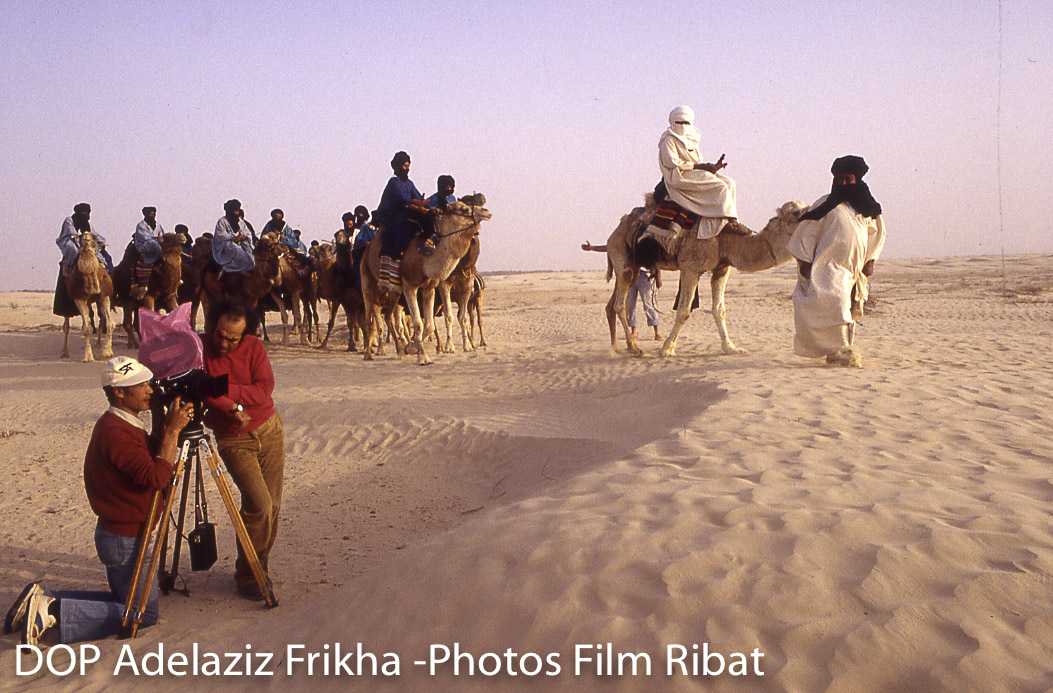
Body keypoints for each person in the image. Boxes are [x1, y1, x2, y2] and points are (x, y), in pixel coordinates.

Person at [4, 357, 193, 645]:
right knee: (142, 613)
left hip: (119, 533)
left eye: (148, 383)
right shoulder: (116, 432)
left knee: (124, 601)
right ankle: (52, 611)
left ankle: (44, 599)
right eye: (141, 385)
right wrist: (173, 431)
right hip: (125, 538)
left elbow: (152, 455)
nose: (150, 390)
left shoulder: (122, 423)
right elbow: (156, 477)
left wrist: (161, 419)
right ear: (119, 392)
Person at [201, 299, 285, 600]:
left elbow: (264, 389)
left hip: (269, 430)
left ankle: (258, 567)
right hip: (233, 439)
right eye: (220, 335)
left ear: (245, 335)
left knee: (273, 507)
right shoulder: (199, 349)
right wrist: (231, 405)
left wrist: (223, 389)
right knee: (258, 505)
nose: (223, 343)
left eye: (232, 339)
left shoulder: (255, 347)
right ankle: (248, 575)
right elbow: (203, 390)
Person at [786, 155, 886, 365]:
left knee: (849, 309)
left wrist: (871, 259)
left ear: (857, 179)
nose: (844, 184)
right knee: (837, 304)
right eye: (840, 179)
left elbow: (877, 233)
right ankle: (842, 352)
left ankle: (841, 351)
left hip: (855, 268)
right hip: (828, 266)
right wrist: (805, 262)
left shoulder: (867, 207)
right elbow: (806, 231)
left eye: (848, 179)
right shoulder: (825, 204)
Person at [655, 105, 748, 238]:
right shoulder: (668, 140)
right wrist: (702, 167)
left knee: (730, 183)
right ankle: (731, 222)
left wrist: (712, 168)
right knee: (720, 187)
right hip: (678, 175)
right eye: (681, 123)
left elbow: (697, 162)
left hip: (693, 172)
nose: (684, 126)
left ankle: (729, 219)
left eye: (687, 123)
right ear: (674, 123)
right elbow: (672, 163)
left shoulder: (691, 140)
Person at [53, 203, 112, 322]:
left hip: (87, 243)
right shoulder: (69, 220)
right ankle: (70, 270)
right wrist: (82, 240)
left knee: (105, 258)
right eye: (83, 212)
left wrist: (100, 242)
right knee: (74, 252)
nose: (85, 215)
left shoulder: (88, 224)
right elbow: (71, 233)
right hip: (72, 242)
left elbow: (95, 234)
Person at [376, 151, 434, 267]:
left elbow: (416, 197)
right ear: (398, 166)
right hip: (392, 215)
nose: (407, 169)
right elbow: (403, 200)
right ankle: (416, 245)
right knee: (416, 218)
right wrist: (419, 208)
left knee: (430, 216)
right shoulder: (394, 182)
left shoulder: (409, 183)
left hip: (406, 211)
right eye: (405, 166)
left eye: (408, 166)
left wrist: (431, 208)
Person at [212, 199, 256, 274]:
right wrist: (234, 238)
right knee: (236, 250)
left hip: (240, 242)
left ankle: (252, 267)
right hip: (225, 245)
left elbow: (247, 232)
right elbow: (220, 235)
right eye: (234, 211)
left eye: (237, 211)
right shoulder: (222, 221)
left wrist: (246, 237)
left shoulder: (240, 222)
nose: (236, 213)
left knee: (250, 249)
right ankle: (234, 268)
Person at [131, 206, 164, 299]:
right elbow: (145, 237)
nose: (152, 216)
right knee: (152, 243)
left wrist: (162, 240)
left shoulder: (158, 226)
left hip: (157, 245)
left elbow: (162, 235)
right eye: (150, 214)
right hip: (144, 246)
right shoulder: (141, 225)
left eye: (153, 214)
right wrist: (157, 240)